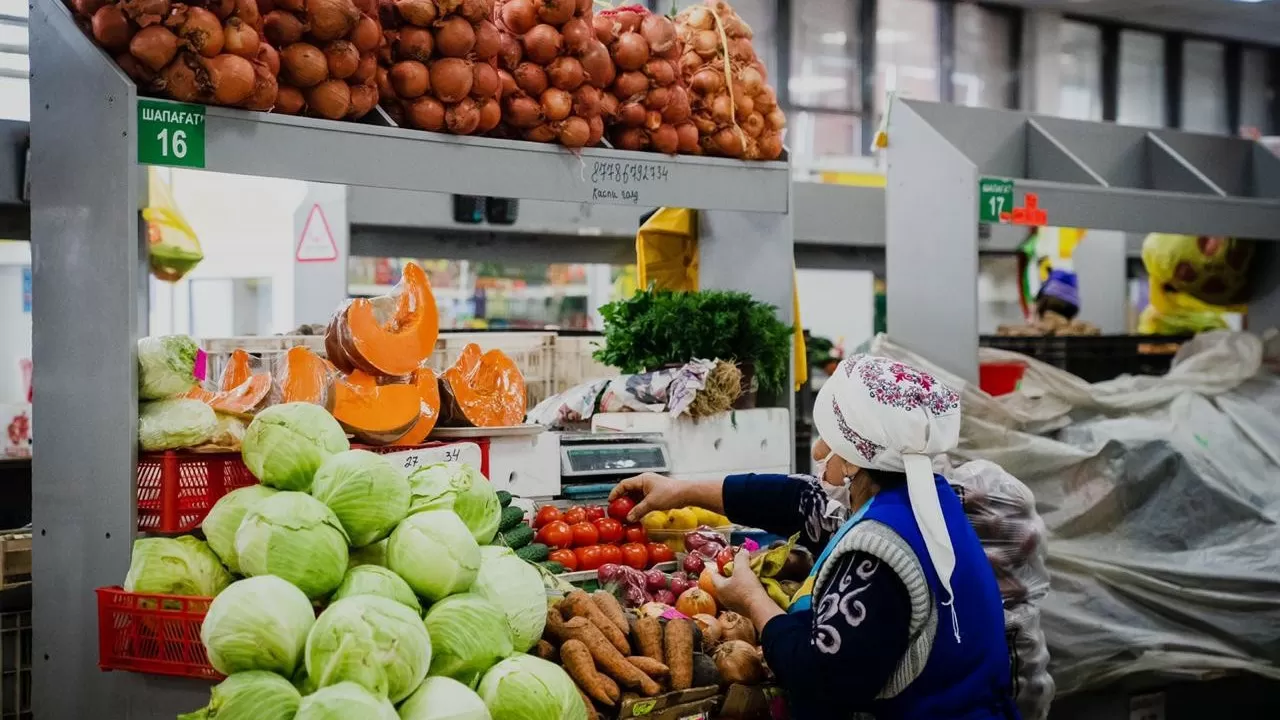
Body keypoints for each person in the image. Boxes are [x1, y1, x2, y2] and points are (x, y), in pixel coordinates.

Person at [611, 354, 1019, 720]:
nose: (820, 451)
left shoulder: (879, 550)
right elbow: (796, 500)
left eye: (828, 439)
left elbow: (820, 677)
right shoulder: (927, 499)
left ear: (857, 458)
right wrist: (678, 490)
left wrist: (751, 599)